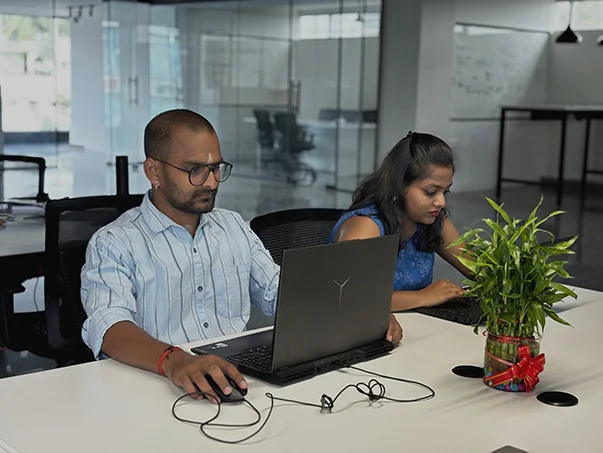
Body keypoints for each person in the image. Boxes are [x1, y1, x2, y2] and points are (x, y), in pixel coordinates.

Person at [81, 109, 403, 402]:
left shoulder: (232, 225)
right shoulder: (114, 242)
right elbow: (108, 326)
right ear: (154, 171)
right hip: (155, 387)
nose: (210, 182)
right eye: (195, 170)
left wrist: (356, 317)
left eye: (216, 168)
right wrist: (175, 360)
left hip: (237, 381)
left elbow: (280, 293)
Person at [330, 131, 472, 312]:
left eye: (445, 192)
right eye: (430, 191)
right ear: (399, 186)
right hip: (369, 334)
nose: (441, 202)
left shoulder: (435, 221)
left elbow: (478, 270)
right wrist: (423, 296)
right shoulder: (367, 226)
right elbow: (348, 297)